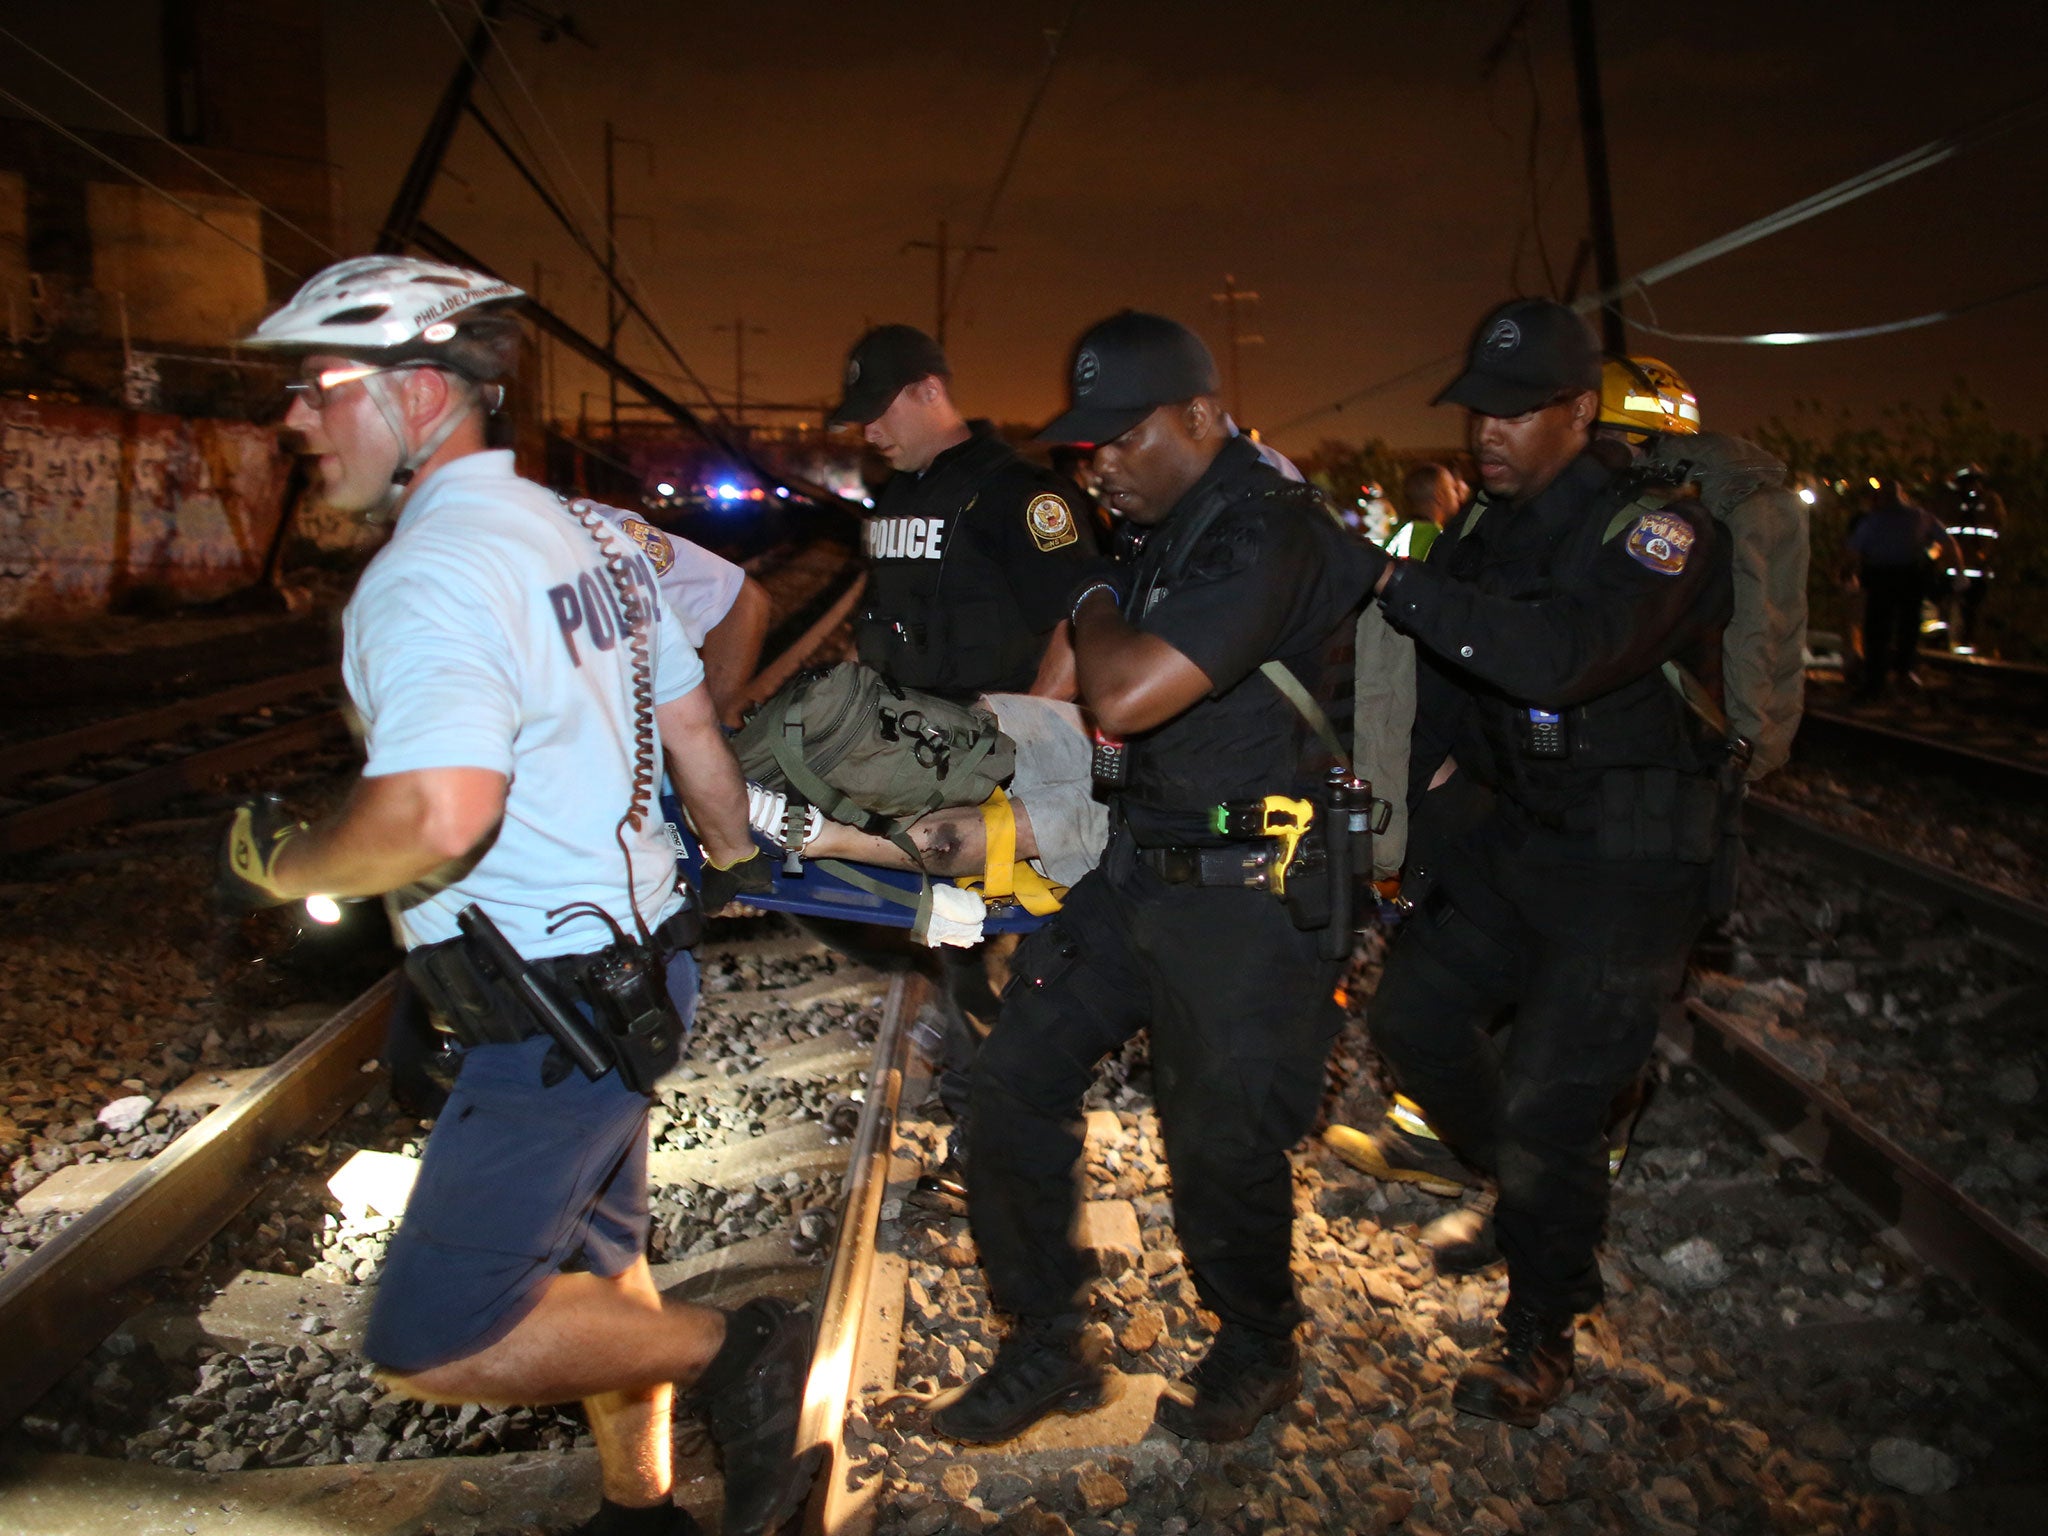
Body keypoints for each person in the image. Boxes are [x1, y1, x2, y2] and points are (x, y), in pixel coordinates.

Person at [217, 256, 808, 1536]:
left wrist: (281, 865)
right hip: (635, 972)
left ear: (423, 395)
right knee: (601, 1259)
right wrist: (731, 856)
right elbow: (697, 737)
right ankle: (640, 1509)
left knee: (436, 1336)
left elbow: (439, 813)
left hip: (549, 1009)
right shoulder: (590, 535)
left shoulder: (430, 574)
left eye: (323, 386)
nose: (297, 418)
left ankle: (740, 1350)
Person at [930, 311, 1367, 1447]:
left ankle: (1258, 1343)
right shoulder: (1158, 532)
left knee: (1218, 1141)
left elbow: (1121, 694)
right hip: (1138, 870)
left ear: (1203, 416)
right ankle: (1047, 1340)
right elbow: (1067, 690)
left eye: (1126, 436)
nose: (1102, 463)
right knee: (1011, 1079)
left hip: (1248, 890)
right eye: (1090, 444)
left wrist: (1084, 588)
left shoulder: (1269, 532)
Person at [1332, 298, 1734, 1427]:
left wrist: (1392, 579)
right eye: (1477, 411)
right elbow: (1444, 680)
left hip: (1632, 854)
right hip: (1520, 833)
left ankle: (1542, 1327)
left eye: (1514, 412)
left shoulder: (1658, 535)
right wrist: (1413, 802)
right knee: (1412, 1021)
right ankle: (1527, 1186)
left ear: (1579, 411)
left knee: (1552, 1106)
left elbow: (1559, 658)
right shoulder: (1483, 528)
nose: (1486, 433)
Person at [829, 323, 1100, 702]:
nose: (869, 433)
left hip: (987, 731)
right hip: (900, 726)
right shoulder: (897, 496)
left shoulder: (1017, 491)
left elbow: (1079, 622)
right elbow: (878, 618)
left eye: (879, 413)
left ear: (930, 391)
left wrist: (1020, 728)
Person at [1846, 478, 1959, 698]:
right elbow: (1947, 541)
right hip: (1909, 577)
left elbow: (1853, 550)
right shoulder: (1919, 517)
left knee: (1879, 629)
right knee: (1908, 627)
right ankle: (1902, 673)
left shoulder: (1873, 521)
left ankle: (1877, 680)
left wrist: (1848, 572)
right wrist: (1958, 571)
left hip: (1883, 577)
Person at [1938, 464, 2005, 655]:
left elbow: (1999, 529)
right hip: (1954, 567)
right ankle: (1944, 642)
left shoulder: (1991, 502)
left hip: (1978, 567)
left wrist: (1988, 556)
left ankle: (1966, 645)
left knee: (1972, 609)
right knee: (1948, 606)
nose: (1972, 486)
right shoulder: (1951, 502)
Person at [1385, 461, 1464, 560]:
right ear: (1440, 496)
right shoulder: (1437, 539)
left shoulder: (1391, 531)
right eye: (1454, 489)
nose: (1457, 496)